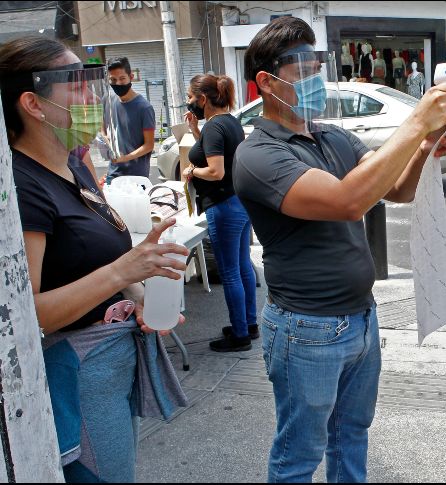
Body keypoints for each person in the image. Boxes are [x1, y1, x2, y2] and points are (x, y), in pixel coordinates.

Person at [233, 16, 446, 483]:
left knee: (352, 436)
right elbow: (347, 201)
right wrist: (416, 119)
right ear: (266, 82)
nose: (316, 79)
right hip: (307, 328)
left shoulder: (332, 136)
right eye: (302, 69)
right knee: (300, 452)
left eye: (318, 65)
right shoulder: (258, 155)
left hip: (361, 318)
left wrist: (425, 147)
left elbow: (395, 189)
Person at [0, 36, 188, 483]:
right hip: (75, 372)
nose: (92, 99)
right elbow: (29, 315)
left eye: (92, 85)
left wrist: (139, 293)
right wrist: (125, 270)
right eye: (77, 87)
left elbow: (104, 258)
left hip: (113, 365)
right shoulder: (21, 188)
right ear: (33, 103)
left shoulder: (74, 165)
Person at [181, 74, 258, 352]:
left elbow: (215, 171)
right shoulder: (229, 122)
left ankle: (239, 335)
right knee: (242, 266)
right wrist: (195, 132)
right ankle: (249, 325)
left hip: (223, 207)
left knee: (230, 272)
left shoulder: (215, 127)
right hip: (240, 202)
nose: (189, 103)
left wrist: (191, 171)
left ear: (202, 99)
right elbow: (214, 151)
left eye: (190, 97)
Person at [105, 56, 156, 184]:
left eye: (122, 79)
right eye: (113, 80)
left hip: (136, 177)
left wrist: (125, 158)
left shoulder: (144, 108)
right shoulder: (108, 100)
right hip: (113, 173)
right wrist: (106, 141)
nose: (118, 84)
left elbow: (149, 145)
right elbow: (103, 127)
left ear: (131, 77)